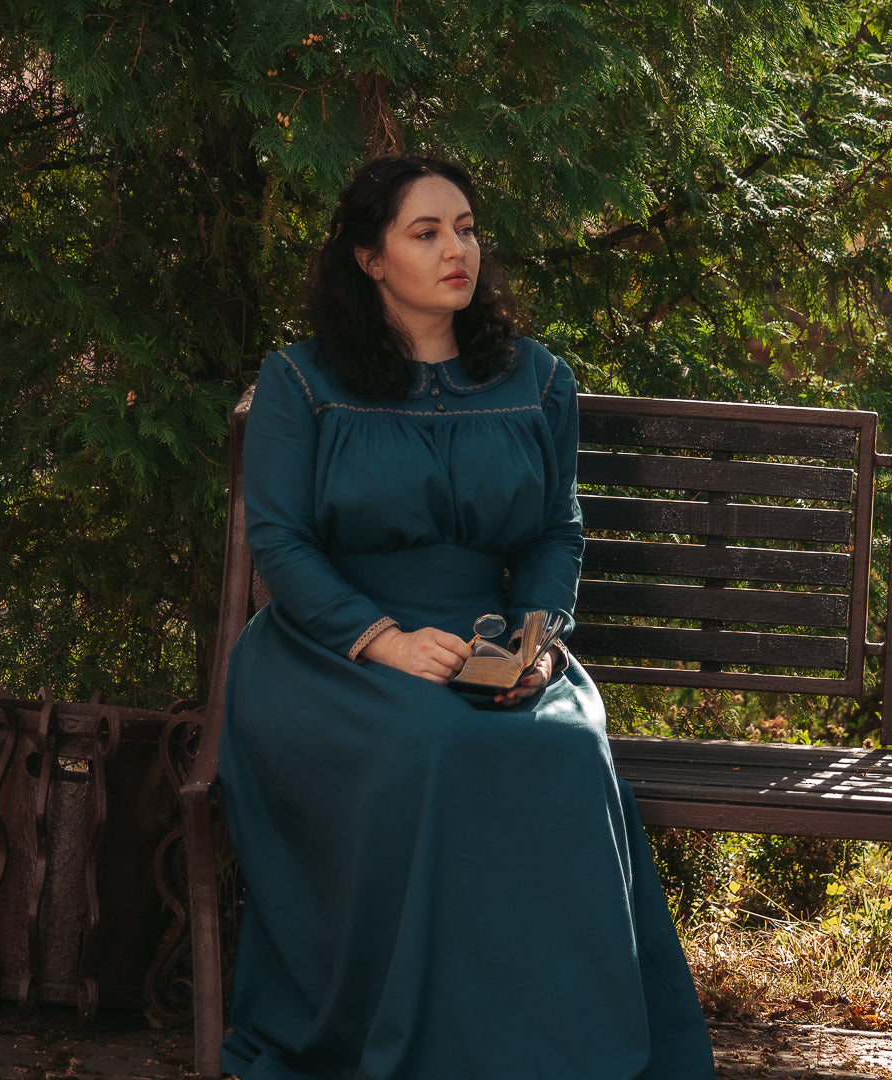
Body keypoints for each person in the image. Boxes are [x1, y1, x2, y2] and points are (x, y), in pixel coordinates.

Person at [217, 154, 715, 1080]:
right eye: (427, 232)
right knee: (433, 750)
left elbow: (554, 531)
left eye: (468, 228)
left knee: (564, 744)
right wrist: (384, 640)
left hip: (489, 639)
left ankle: (560, 1052)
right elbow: (282, 543)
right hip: (331, 650)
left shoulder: (535, 378)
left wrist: (536, 637)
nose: (459, 249)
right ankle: (428, 1046)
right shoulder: (302, 380)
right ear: (370, 259)